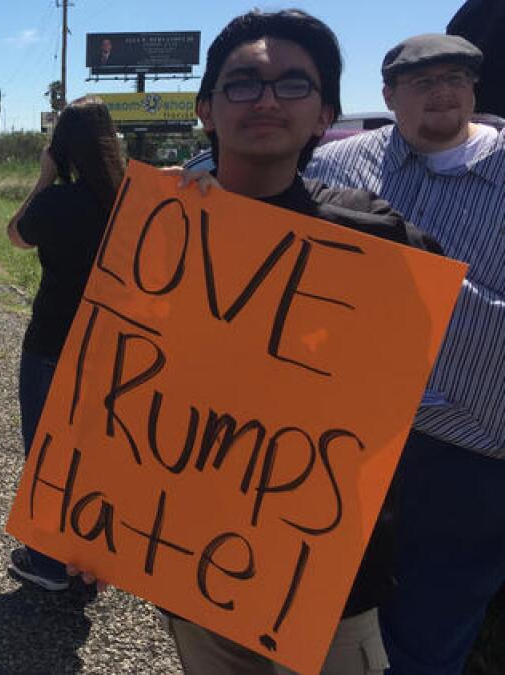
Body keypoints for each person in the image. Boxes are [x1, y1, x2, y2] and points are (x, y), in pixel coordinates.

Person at [73, 9, 442, 674]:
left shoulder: (374, 238)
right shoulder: (158, 230)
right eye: (243, 83)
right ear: (206, 109)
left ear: (324, 113)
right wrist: (91, 522)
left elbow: (412, 366)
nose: (267, 99)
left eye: (293, 85)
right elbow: (115, 383)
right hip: (193, 563)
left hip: (326, 582)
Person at [303, 33, 505, 675]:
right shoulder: (341, 166)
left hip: (468, 451)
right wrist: (207, 184)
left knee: (427, 632)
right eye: (421, 82)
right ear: (389, 96)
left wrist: (418, 275)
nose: (441, 92)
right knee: (319, 614)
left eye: (455, 78)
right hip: (347, 434)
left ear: (474, 89)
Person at [4, 98, 126, 592]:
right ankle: (91, 562)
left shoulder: (57, 202)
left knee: (48, 454)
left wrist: (44, 178)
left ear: (62, 149)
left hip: (53, 346)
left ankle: (51, 564)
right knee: (98, 456)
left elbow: (15, 236)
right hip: (116, 353)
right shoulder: (133, 199)